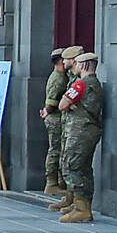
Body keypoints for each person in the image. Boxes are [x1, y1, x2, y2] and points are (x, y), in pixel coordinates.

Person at [57, 48, 104, 224]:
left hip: (79, 131)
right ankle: (83, 205)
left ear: (83, 65)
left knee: (72, 165)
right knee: (85, 169)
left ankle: (81, 208)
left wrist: (70, 105)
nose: (74, 66)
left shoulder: (81, 85)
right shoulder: (97, 84)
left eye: (77, 63)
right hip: (90, 131)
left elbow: (62, 104)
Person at [41, 47, 72, 201]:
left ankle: (59, 182)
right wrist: (47, 110)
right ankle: (52, 182)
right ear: (60, 61)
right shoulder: (58, 78)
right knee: (56, 150)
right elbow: (51, 102)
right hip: (55, 119)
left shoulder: (62, 76)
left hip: (57, 118)